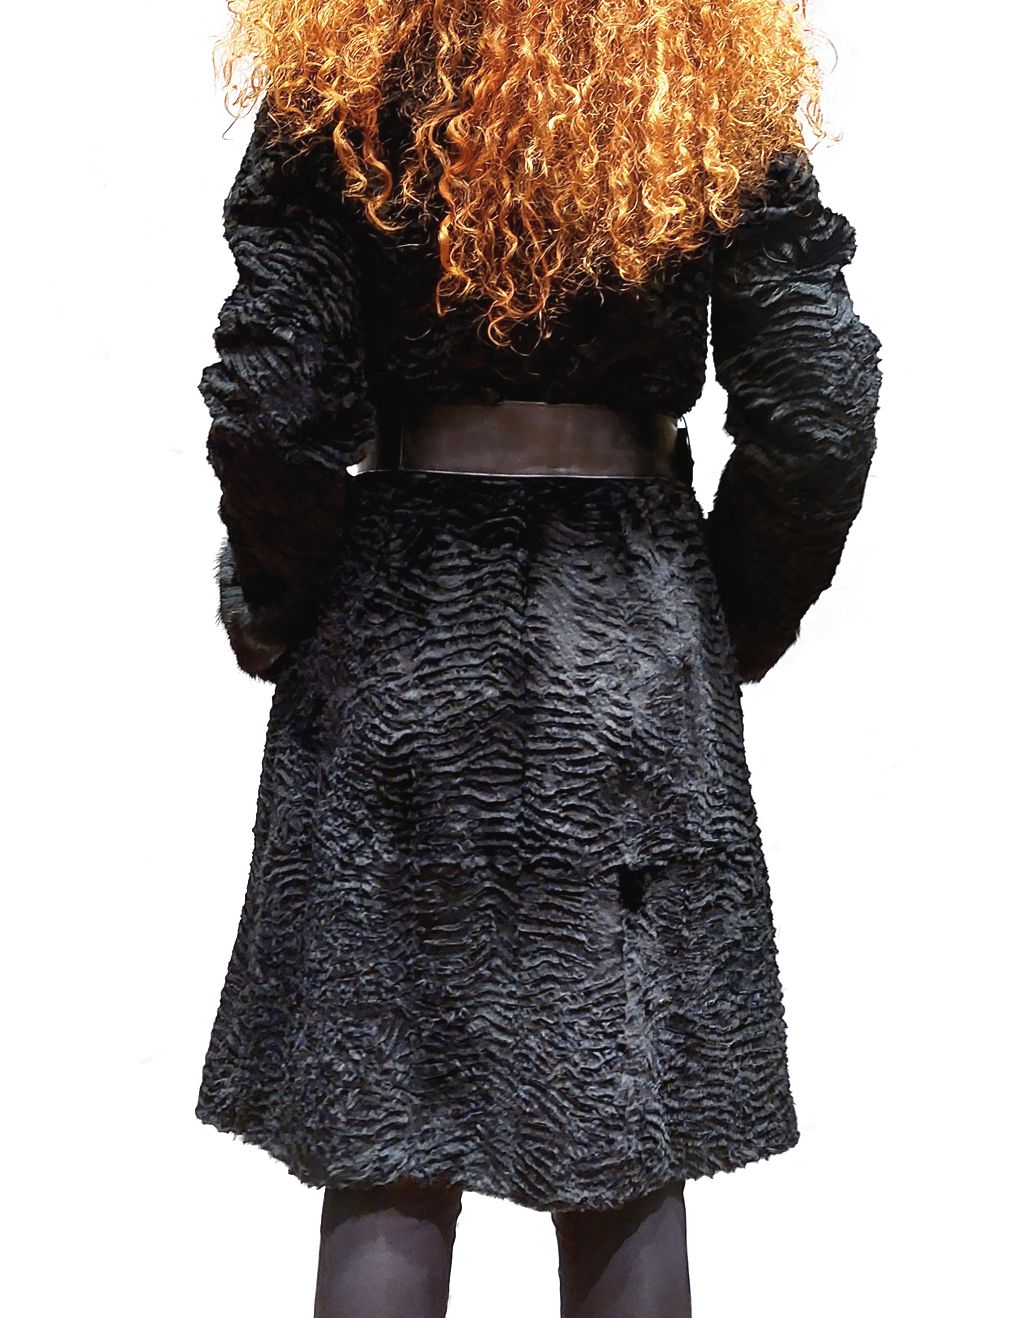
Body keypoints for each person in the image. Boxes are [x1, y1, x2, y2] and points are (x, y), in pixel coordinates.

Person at [193, 2, 883, 1314]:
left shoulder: (349, 72)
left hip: (404, 639)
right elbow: (819, 401)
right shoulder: (708, 71)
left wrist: (276, 599)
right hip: (624, 637)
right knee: (623, 1111)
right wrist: (728, 616)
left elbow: (275, 402)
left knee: (386, 1121)